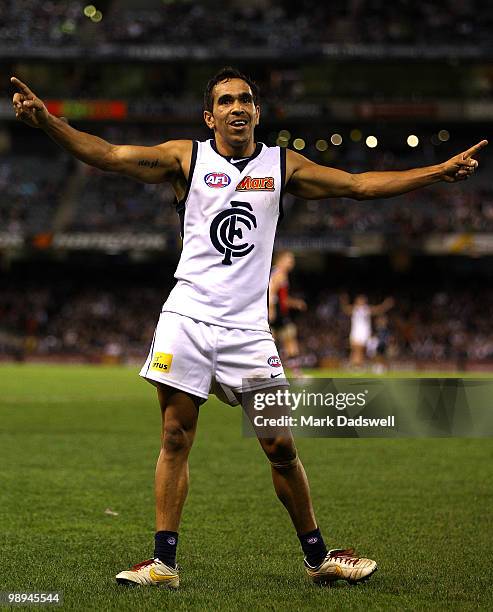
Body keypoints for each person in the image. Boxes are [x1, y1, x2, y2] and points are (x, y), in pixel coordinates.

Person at [11, 66, 486, 588]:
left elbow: (359, 185)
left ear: (257, 112)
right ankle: (163, 562)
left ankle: (319, 558)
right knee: (174, 435)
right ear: (209, 115)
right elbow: (106, 154)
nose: (237, 107)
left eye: (245, 100)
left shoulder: (283, 165)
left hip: (248, 332)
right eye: (226, 100)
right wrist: (49, 122)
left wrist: (437, 172)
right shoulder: (185, 158)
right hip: (187, 317)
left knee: (280, 445)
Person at [269, 250, 306, 375]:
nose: (292, 263)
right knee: (287, 342)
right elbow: (271, 292)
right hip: (277, 315)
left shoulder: (280, 273)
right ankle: (296, 374)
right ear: (281, 260)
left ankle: (293, 373)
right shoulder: (279, 273)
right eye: (289, 260)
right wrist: (272, 309)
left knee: (287, 341)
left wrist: (295, 303)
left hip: (280, 314)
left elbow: (283, 299)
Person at [340, 294, 394, 368]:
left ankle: (363, 366)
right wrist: (343, 301)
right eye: (360, 300)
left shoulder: (367, 309)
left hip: (365, 333)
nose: (362, 301)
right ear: (356, 301)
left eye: (363, 300)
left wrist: (386, 304)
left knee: (365, 351)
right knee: (356, 350)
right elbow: (345, 309)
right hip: (356, 332)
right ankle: (355, 366)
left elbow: (378, 309)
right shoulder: (354, 309)